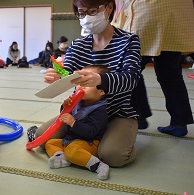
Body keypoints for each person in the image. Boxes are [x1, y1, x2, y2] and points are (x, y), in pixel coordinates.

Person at [28, 0, 142, 167]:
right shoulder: (78, 45)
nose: (86, 17)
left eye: (93, 10)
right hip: (83, 114)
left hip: (118, 113)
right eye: (81, 13)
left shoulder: (128, 41)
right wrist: (58, 77)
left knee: (113, 156)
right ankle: (92, 141)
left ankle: (109, 138)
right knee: (41, 137)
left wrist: (100, 80)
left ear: (109, 8)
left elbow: (131, 79)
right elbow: (67, 73)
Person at [117, 0, 194, 137]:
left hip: (149, 11)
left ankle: (139, 115)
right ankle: (179, 122)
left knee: (129, 67)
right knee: (170, 73)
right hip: (176, 15)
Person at [45, 65, 109, 180]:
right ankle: (62, 157)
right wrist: (65, 106)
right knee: (50, 143)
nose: (81, 86)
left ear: (101, 91)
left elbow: (91, 132)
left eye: (87, 83)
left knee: (72, 150)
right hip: (70, 140)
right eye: (80, 82)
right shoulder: (78, 102)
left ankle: (98, 165)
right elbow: (63, 116)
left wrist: (73, 122)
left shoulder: (99, 110)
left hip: (88, 142)